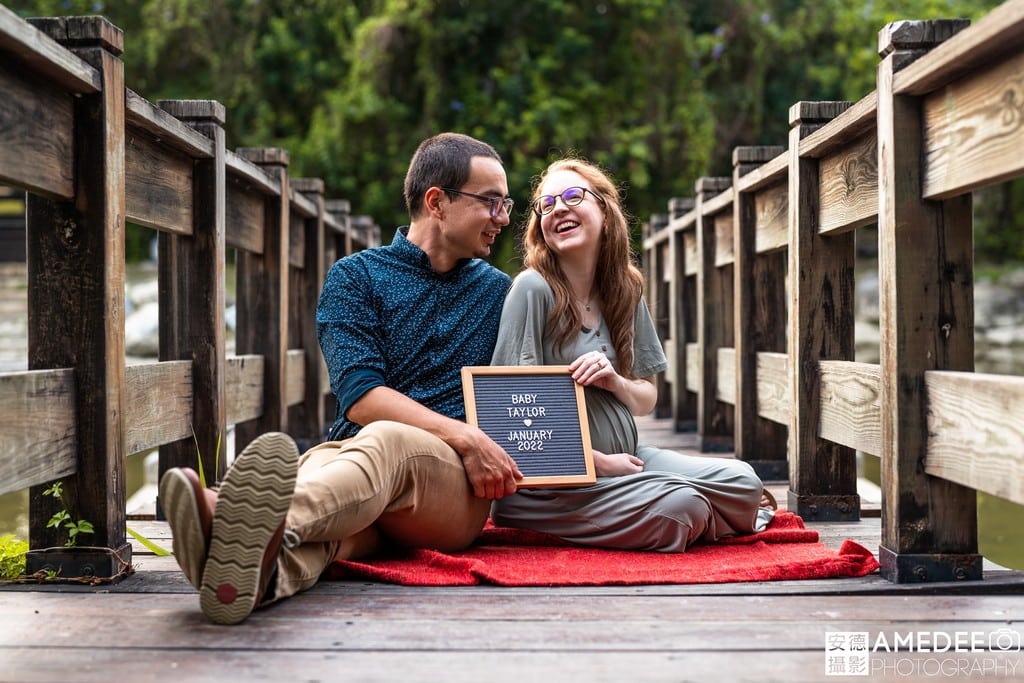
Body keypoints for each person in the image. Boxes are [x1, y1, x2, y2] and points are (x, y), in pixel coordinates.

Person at [158, 132, 522, 624]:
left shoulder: (502, 293)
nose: (503, 218)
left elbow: (534, 391)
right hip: (357, 462)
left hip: (450, 489)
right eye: (491, 202)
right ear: (437, 202)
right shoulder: (356, 277)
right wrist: (466, 434)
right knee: (334, 535)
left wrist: (477, 440)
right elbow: (361, 396)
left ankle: (234, 517)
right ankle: (248, 579)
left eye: (506, 203)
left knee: (387, 440)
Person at [489, 157, 773, 552]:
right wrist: (600, 464)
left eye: (573, 196)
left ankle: (672, 507)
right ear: (540, 226)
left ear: (604, 210)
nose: (559, 209)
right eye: (547, 204)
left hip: (629, 458)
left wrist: (614, 380)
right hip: (555, 482)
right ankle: (682, 511)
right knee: (683, 505)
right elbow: (513, 420)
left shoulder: (625, 290)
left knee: (745, 481)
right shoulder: (532, 289)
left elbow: (646, 398)